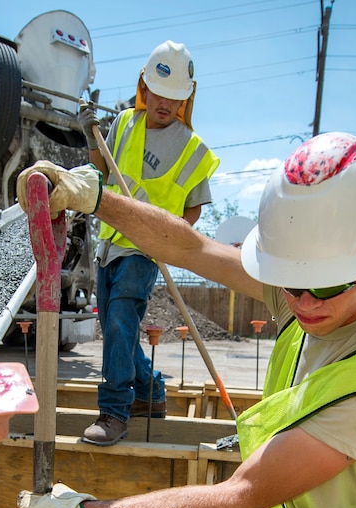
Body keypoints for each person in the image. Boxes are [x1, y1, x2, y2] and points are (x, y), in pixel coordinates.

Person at [15, 132, 356, 508]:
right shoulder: (311, 297)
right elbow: (192, 248)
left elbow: (239, 495)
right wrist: (94, 198)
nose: (303, 303)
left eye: (325, 285)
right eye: (292, 281)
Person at [75, 40, 219, 445]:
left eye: (175, 99)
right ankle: (152, 390)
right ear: (144, 86)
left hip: (145, 251)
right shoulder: (122, 124)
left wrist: (168, 239)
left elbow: (194, 211)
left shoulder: (191, 149)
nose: (165, 105)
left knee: (121, 321)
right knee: (116, 329)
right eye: (159, 94)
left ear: (186, 99)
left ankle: (114, 412)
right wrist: (90, 134)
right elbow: (100, 171)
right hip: (109, 243)